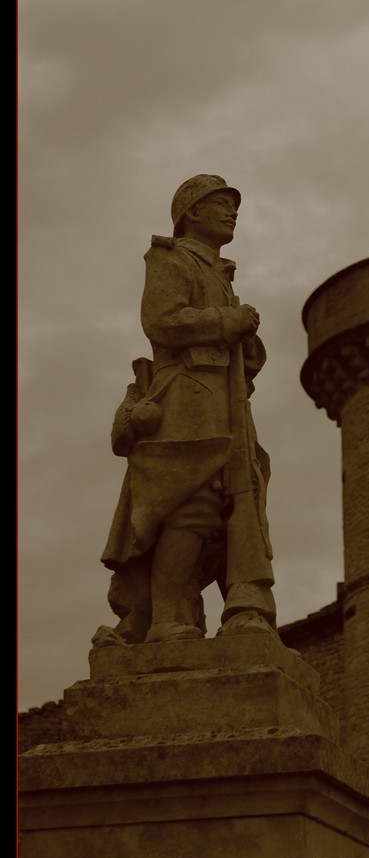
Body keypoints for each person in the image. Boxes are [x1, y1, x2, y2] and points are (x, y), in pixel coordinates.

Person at [95, 174, 276, 646]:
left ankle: (237, 604)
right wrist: (226, 321)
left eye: (233, 205)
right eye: (220, 203)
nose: (232, 211)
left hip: (225, 397)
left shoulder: (220, 272)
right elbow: (162, 320)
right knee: (188, 501)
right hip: (188, 393)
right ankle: (166, 617)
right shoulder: (170, 257)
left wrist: (247, 340)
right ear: (192, 212)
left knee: (236, 494)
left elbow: (237, 353)